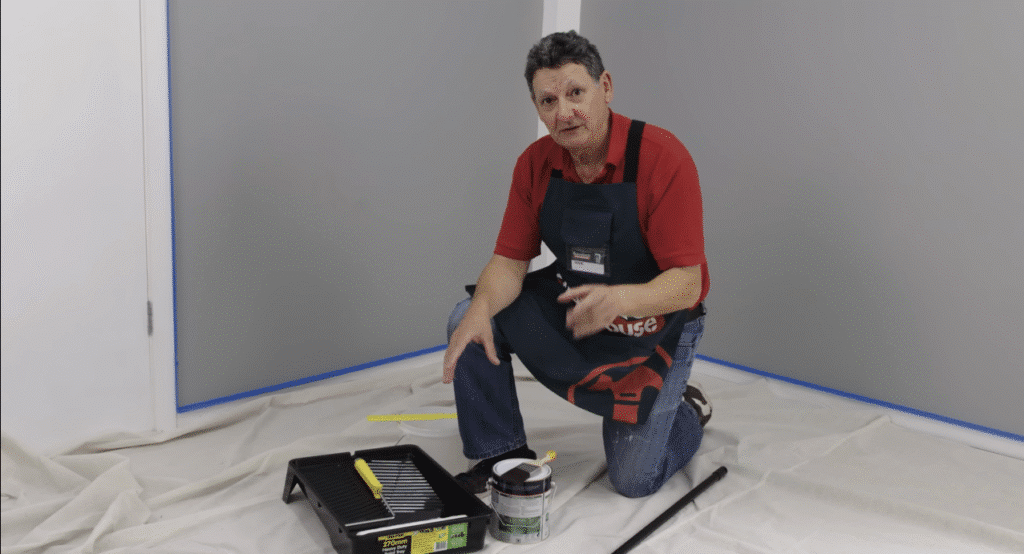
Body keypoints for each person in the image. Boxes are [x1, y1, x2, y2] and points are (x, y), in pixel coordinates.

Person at [443, 31, 711, 499]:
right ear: (536, 106)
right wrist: (482, 308)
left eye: (575, 93)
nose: (563, 112)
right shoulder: (534, 164)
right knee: (467, 317)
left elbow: (688, 285)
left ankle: (686, 410)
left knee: (633, 480)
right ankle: (500, 453)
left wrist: (620, 299)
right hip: (577, 301)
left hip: (656, 319)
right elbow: (509, 263)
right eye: (548, 101)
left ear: (605, 87)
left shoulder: (662, 156)